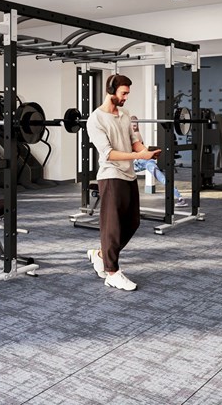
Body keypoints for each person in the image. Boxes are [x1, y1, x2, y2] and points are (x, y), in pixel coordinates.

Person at [84, 74, 161, 291]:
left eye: (127, 93)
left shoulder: (125, 114)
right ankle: (112, 273)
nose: (126, 97)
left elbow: (135, 142)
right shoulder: (95, 119)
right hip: (110, 175)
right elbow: (108, 154)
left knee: (133, 222)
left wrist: (146, 153)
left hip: (128, 174)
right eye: (123, 93)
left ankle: (101, 255)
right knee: (113, 227)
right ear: (111, 91)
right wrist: (138, 156)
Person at [130, 117, 189, 208]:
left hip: (145, 161)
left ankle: (180, 198)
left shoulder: (135, 135)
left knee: (163, 179)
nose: (134, 127)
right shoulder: (131, 135)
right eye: (132, 125)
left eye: (135, 125)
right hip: (138, 162)